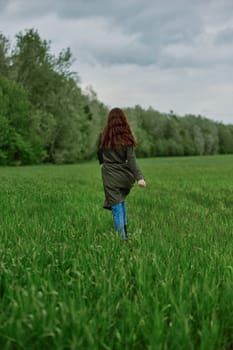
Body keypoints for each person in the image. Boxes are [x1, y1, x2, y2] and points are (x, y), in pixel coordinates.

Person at [98, 107, 146, 240]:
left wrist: (104, 163)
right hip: (124, 176)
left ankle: (123, 239)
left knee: (116, 206)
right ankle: (125, 234)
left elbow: (99, 154)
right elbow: (132, 161)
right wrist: (139, 178)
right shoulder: (127, 138)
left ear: (110, 121)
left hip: (109, 175)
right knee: (121, 201)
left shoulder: (104, 137)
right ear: (123, 120)